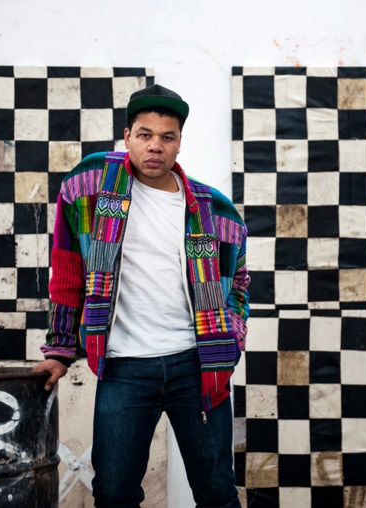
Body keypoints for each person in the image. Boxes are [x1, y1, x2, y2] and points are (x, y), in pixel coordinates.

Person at [33, 83, 250, 508]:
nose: (156, 146)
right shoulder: (91, 186)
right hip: (125, 367)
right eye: (145, 134)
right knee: (114, 493)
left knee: (217, 493)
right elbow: (67, 270)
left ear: (179, 142)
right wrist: (60, 349)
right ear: (127, 136)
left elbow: (239, 283)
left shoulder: (213, 209)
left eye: (167, 137)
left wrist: (231, 338)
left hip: (196, 365)